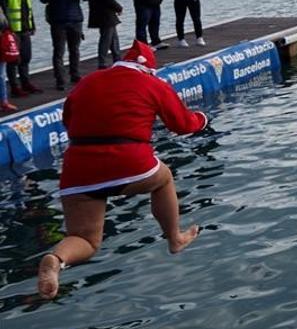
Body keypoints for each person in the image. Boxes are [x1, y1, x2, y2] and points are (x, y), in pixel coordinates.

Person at [37, 41, 208, 299]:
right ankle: (175, 238)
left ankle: (56, 259)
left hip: (78, 170)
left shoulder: (88, 81)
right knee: (164, 179)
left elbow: (68, 120)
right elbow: (182, 124)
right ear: (149, 69)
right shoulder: (153, 84)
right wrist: (202, 119)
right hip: (129, 162)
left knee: (86, 240)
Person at [40, 0, 90, 90]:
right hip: (58, 22)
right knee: (59, 52)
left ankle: (75, 74)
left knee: (75, 50)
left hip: (75, 20)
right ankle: (60, 79)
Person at [0, 0, 40, 96]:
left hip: (24, 29)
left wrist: (32, 25)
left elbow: (28, 8)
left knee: (26, 57)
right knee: (13, 60)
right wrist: (6, 29)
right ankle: (15, 87)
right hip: (11, 30)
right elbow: (3, 10)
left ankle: (25, 82)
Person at [86, 0, 123, 69]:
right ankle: (102, 62)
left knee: (113, 38)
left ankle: (117, 59)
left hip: (107, 14)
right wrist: (118, 7)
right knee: (106, 39)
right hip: (104, 15)